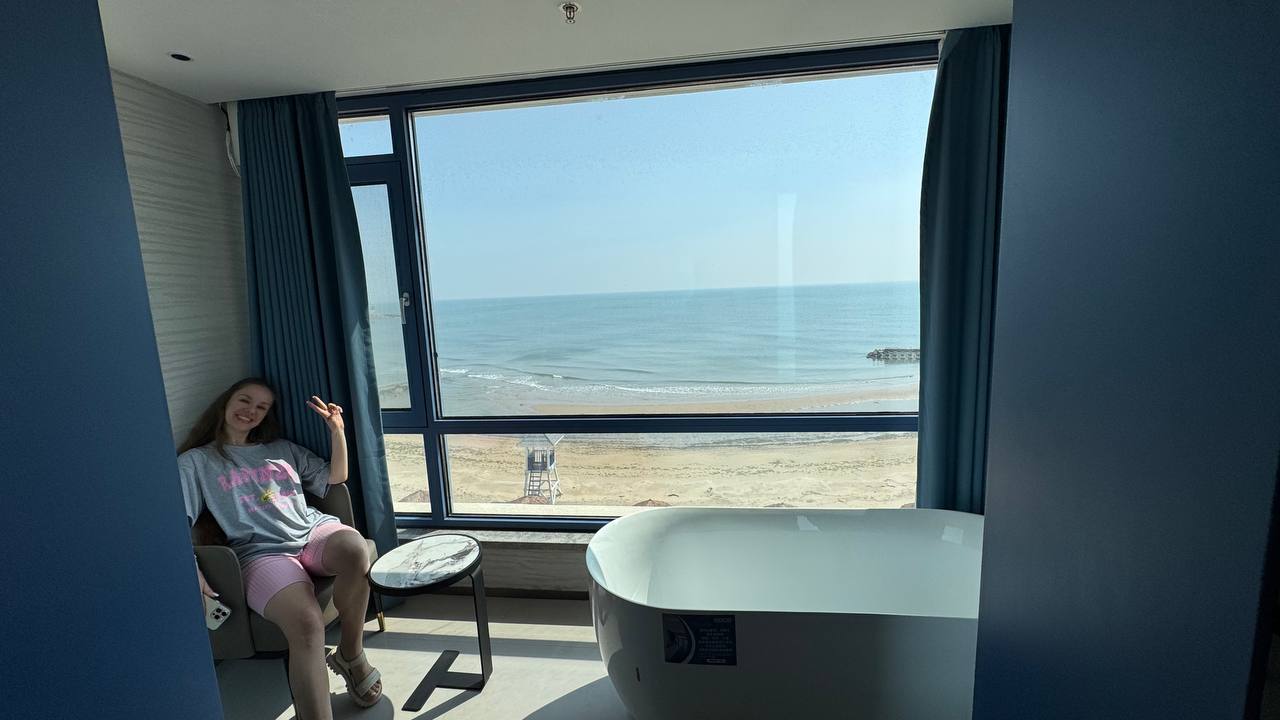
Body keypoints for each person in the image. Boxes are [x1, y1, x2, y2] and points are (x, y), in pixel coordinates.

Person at [178, 377, 382, 717]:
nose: (251, 411)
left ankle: (351, 654)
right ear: (226, 401)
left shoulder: (282, 449)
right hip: (261, 552)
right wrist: (193, 568)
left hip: (311, 531)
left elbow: (336, 477)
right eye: (245, 400)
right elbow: (174, 523)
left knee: (355, 548)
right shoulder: (196, 462)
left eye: (261, 407)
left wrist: (337, 430)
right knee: (307, 624)